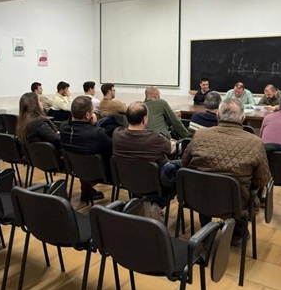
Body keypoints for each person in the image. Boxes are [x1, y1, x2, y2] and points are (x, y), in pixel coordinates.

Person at [182, 98, 271, 245]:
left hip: (199, 196)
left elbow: (184, 164)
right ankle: (238, 235)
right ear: (243, 119)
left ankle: (205, 233)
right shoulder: (256, 142)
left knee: (205, 186)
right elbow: (262, 180)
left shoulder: (200, 135)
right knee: (245, 189)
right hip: (236, 202)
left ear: (218, 115)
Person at [112, 101, 175, 219]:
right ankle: (156, 204)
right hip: (155, 185)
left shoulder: (117, 134)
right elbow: (171, 149)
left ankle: (144, 205)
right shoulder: (154, 137)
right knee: (173, 171)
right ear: (144, 119)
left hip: (128, 181)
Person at [59, 96, 112, 202]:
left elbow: (68, 122)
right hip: (100, 173)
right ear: (88, 115)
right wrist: (95, 125)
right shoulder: (96, 133)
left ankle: (86, 191)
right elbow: (112, 148)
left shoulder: (63, 128)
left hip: (76, 170)